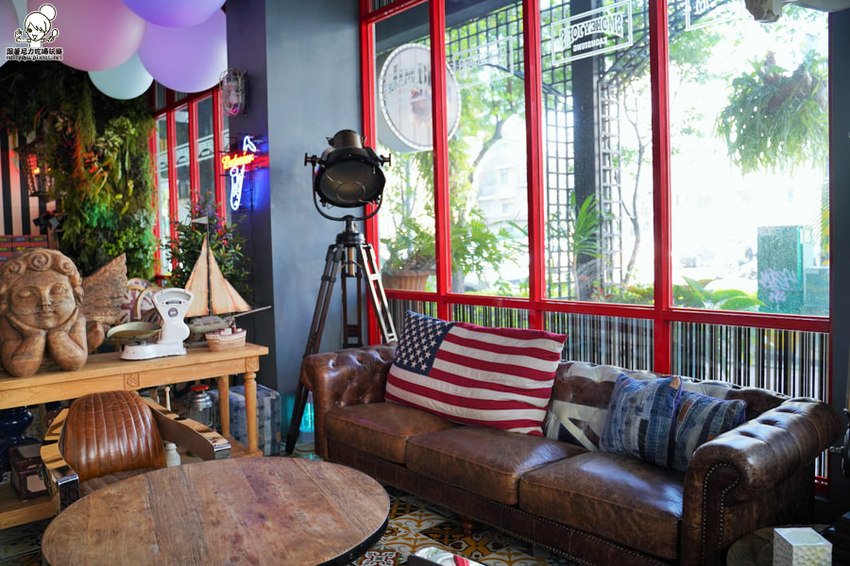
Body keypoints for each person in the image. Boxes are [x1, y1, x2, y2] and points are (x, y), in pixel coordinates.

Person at [0, 249, 87, 377]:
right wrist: (34, 336)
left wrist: (59, 334)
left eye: (58, 290)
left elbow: (74, 362)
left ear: (75, 294)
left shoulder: (76, 319)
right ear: (6, 301)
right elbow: (20, 369)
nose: (45, 302)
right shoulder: (7, 322)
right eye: (27, 293)